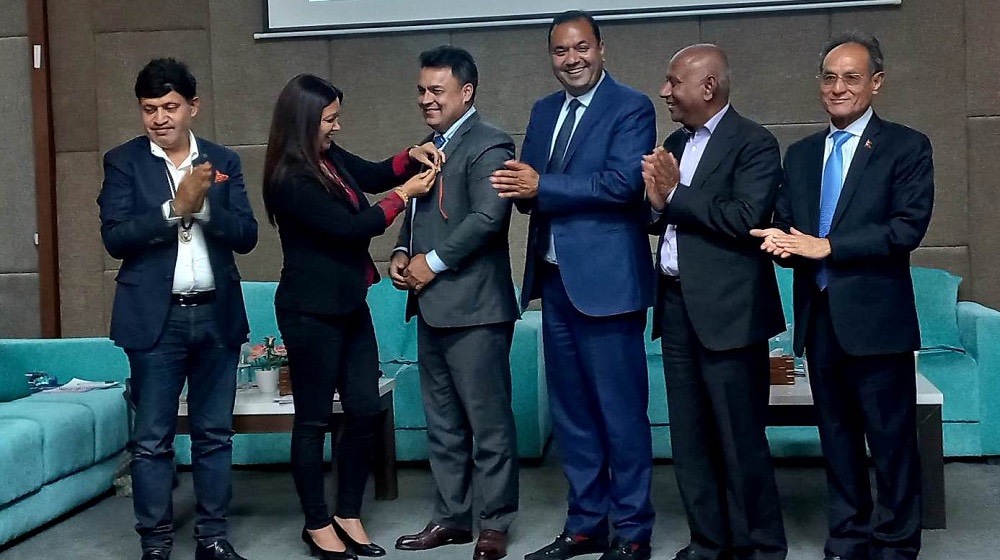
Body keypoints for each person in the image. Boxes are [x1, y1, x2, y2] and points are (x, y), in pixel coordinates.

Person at [752, 33, 933, 560]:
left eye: (851, 77)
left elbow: (906, 228)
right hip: (820, 320)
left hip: (877, 323)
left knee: (892, 442)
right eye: (829, 77)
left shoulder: (906, 146)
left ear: (876, 83)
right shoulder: (802, 154)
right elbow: (790, 227)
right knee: (837, 438)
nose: (838, 88)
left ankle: (896, 544)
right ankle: (848, 537)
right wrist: (781, 245)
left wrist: (827, 246)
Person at [490, 11, 656, 560]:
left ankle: (632, 529)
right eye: (561, 51)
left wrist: (542, 185)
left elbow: (623, 184)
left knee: (620, 413)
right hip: (555, 281)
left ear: (602, 48)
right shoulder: (543, 111)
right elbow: (531, 189)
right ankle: (586, 524)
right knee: (573, 414)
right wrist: (519, 187)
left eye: (581, 47)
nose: (572, 59)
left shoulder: (631, 107)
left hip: (608, 287)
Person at [262, 74, 440, 560]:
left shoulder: (329, 158)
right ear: (304, 122)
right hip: (309, 311)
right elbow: (350, 228)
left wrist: (411, 156)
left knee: (364, 410)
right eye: (329, 119)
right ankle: (317, 523)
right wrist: (404, 195)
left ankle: (347, 512)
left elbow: (374, 173)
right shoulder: (291, 177)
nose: (337, 127)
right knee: (313, 419)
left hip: (349, 303)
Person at [98, 58, 258, 560]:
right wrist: (174, 209)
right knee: (152, 440)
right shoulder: (123, 162)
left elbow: (247, 235)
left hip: (216, 315)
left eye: (170, 107)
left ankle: (213, 538)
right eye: (149, 109)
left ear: (194, 107)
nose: (159, 118)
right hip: (155, 319)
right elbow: (115, 238)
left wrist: (203, 206)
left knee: (214, 435)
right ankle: (155, 544)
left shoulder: (223, 160)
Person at [642, 45, 787, 560]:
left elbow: (747, 217)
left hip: (730, 313)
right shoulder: (674, 143)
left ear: (707, 87)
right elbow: (665, 215)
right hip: (676, 307)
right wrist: (654, 204)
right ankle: (708, 543)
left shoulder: (755, 143)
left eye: (673, 81)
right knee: (690, 439)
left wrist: (674, 195)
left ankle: (760, 548)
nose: (665, 91)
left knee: (739, 439)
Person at [390, 45, 520, 560]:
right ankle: (451, 519)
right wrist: (402, 252)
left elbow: (488, 219)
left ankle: (495, 523)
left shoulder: (491, 143)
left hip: (476, 310)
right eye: (421, 90)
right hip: (431, 307)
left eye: (436, 90)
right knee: (442, 426)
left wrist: (432, 263)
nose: (426, 99)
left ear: (466, 92)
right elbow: (416, 211)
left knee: (488, 426)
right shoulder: (428, 146)